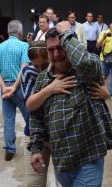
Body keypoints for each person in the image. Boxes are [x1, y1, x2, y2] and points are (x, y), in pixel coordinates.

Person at [29, 22, 112, 186]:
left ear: (69, 44)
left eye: (61, 47)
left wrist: (67, 34)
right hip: (61, 162)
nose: (56, 54)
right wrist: (35, 148)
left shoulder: (85, 71)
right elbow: (37, 117)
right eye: (51, 50)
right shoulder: (42, 79)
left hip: (88, 159)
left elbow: (86, 62)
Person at [21, 40, 77, 187]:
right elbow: (30, 105)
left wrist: (106, 92)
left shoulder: (62, 71)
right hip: (35, 137)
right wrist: (50, 89)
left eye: (44, 65)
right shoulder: (28, 72)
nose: (39, 69)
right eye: (35, 65)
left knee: (64, 182)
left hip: (61, 138)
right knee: (34, 183)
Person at [0, 20, 30, 161]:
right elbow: (24, 69)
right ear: (20, 32)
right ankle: (34, 145)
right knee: (29, 116)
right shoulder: (24, 46)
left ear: (8, 32)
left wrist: (4, 88)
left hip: (5, 88)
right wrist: (14, 88)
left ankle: (9, 149)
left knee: (8, 120)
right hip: (20, 88)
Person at [97, 19, 112, 103]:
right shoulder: (104, 33)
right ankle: (99, 92)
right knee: (102, 77)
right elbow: (97, 45)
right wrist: (104, 38)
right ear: (109, 25)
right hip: (104, 59)